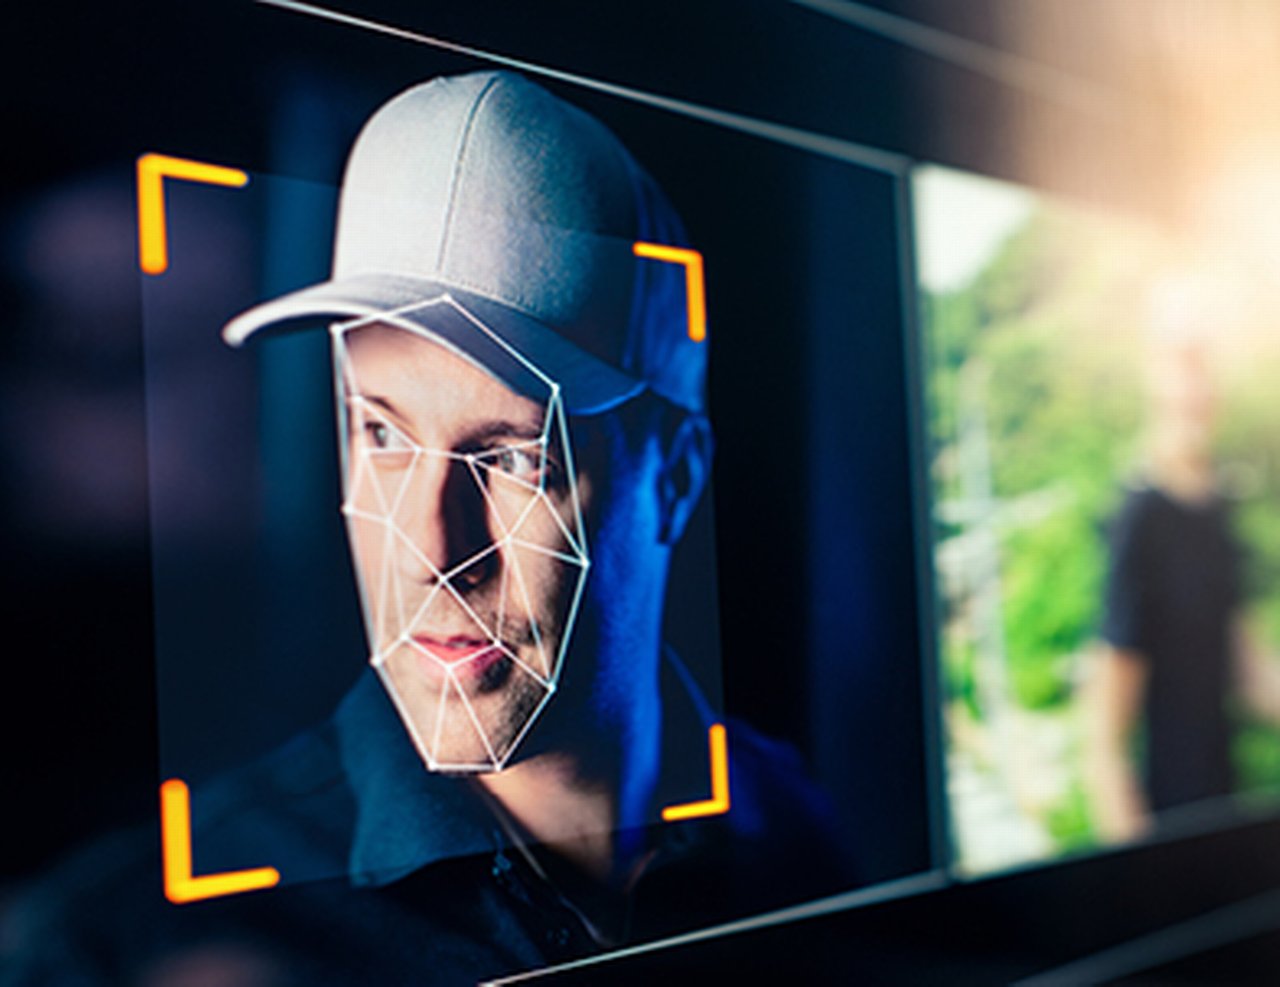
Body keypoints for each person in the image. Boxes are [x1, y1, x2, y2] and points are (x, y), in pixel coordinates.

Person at [3, 71, 851, 986]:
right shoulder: (133, 941)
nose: (434, 552)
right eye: (383, 435)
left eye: (514, 457)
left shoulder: (794, 825)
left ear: (675, 475)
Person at [1086, 275, 1280, 842]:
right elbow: (1103, 742)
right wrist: (1140, 869)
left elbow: (1251, 674)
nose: (1198, 386)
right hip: (1167, 834)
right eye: (1183, 362)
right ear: (1153, 372)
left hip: (1226, 819)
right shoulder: (1139, 519)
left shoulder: (1218, 508)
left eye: (1207, 364)